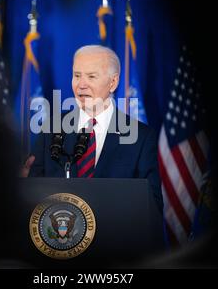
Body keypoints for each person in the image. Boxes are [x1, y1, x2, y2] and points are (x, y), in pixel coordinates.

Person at [21, 45, 163, 210]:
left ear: (113, 82)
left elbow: (151, 205)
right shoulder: (52, 129)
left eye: (91, 76)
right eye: (77, 75)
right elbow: (33, 198)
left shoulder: (141, 137)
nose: (81, 84)